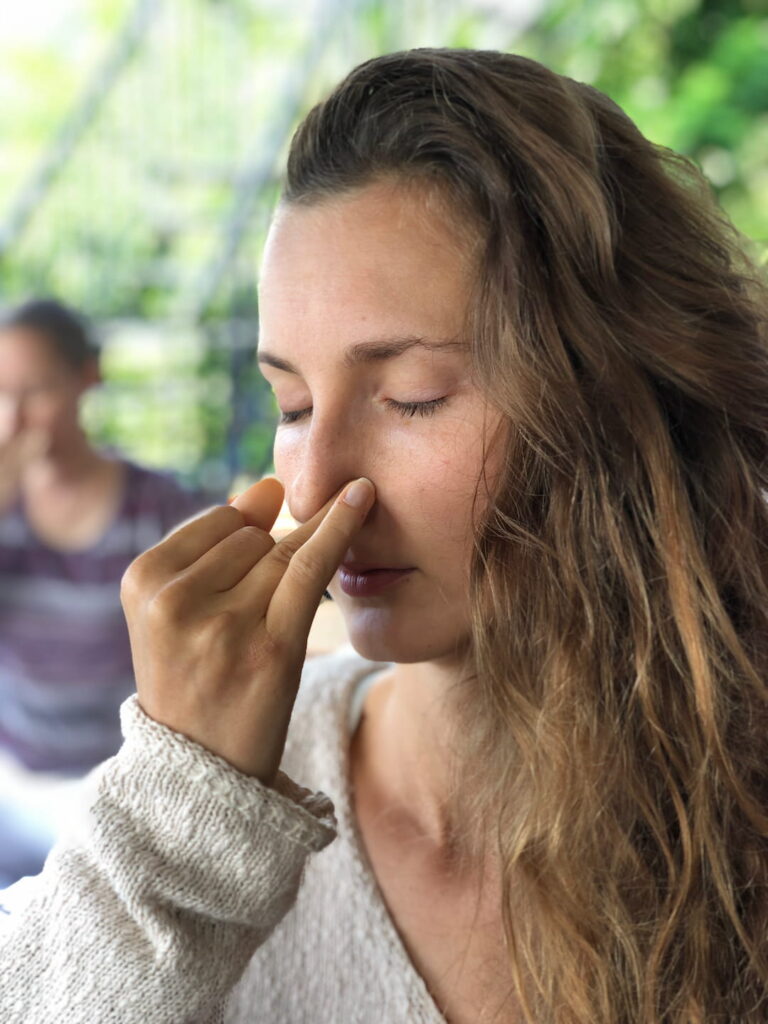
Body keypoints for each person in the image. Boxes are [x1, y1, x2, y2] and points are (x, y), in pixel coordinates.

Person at [1, 47, 767, 1023]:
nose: (313, 486)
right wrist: (175, 832)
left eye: (411, 400)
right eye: (290, 401)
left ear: (622, 398)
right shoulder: (214, 810)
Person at [0, 298, 220, 886]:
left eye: (35, 392)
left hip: (109, 793)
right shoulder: (5, 512)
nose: (12, 420)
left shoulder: (155, 510)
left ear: (85, 379)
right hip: (10, 778)